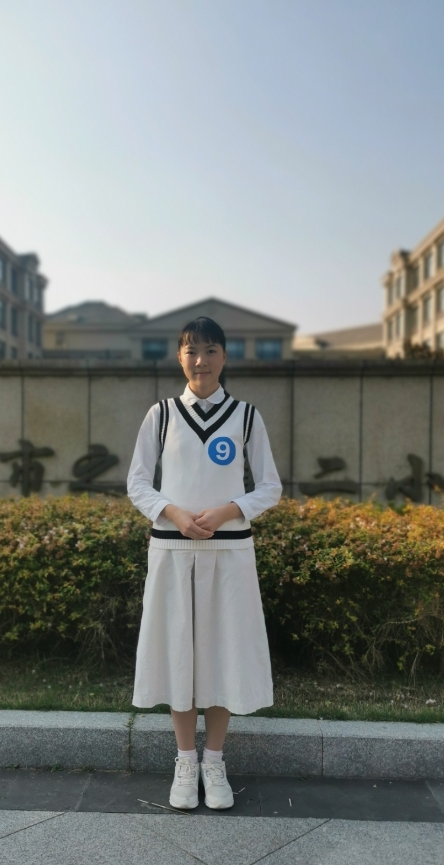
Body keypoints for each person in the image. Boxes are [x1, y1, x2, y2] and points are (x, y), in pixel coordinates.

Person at [126, 316, 282, 809]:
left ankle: (214, 761)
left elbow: (270, 487)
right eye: (192, 351)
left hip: (229, 553)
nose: (201, 360)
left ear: (224, 357)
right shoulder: (162, 415)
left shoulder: (246, 416)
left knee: (222, 654)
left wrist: (228, 510)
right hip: (172, 552)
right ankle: (185, 760)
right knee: (179, 655)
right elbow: (137, 483)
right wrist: (173, 513)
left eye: (211, 350)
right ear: (179, 357)